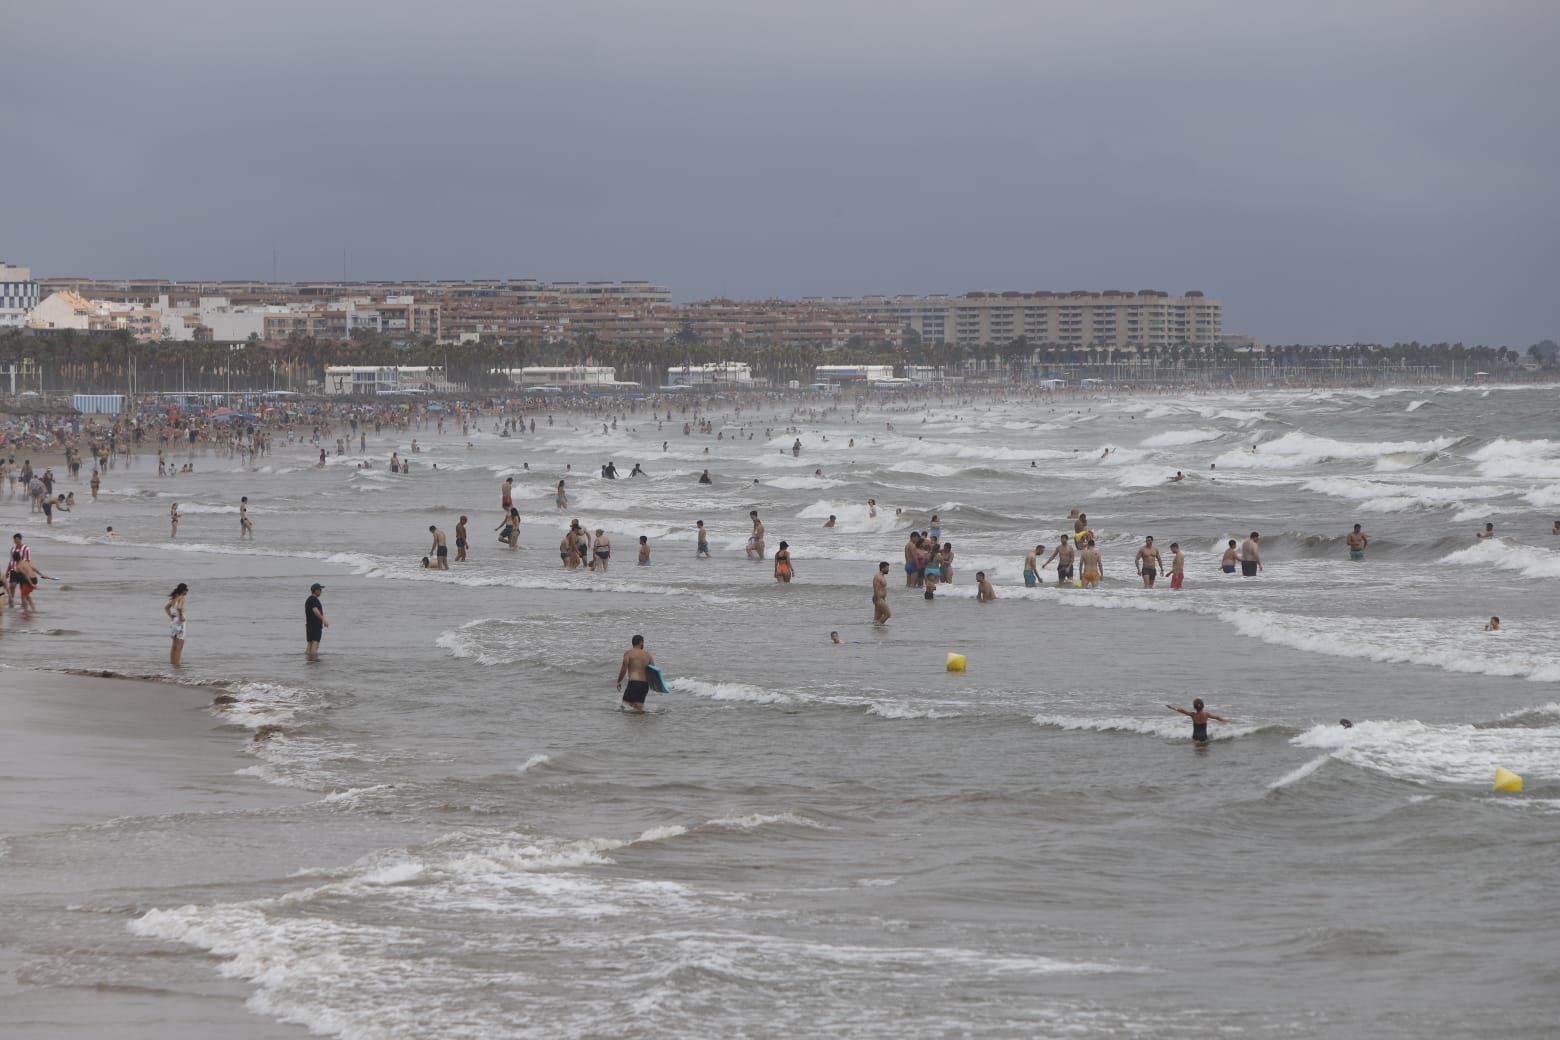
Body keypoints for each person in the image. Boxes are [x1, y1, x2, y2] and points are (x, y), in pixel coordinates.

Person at [615, 634, 655, 714]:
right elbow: (653, 672)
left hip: (634, 684)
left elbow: (624, 668)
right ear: (641, 642)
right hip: (644, 686)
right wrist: (656, 687)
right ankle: (641, 725)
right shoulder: (648, 655)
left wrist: (619, 681)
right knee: (639, 710)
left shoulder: (629, 653)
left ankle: (629, 726)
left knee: (624, 707)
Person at [165, 583, 188, 665]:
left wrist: (171, 616)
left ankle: (172, 662)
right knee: (180, 644)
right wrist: (181, 617)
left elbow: (166, 608)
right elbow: (179, 608)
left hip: (174, 621)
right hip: (180, 622)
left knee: (174, 645)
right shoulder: (182, 597)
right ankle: (176, 663)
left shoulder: (174, 598)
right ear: (184, 590)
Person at [304, 583, 328, 660]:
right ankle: (314, 661)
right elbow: (315, 611)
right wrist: (323, 619)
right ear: (316, 590)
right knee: (315, 643)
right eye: (320, 590)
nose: (321, 591)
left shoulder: (309, 599)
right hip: (315, 625)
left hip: (309, 625)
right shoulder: (314, 600)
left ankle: (308, 660)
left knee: (310, 643)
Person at [872, 561, 891, 625]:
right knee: (888, 614)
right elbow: (876, 589)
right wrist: (878, 600)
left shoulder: (882, 576)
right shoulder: (878, 577)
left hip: (881, 598)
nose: (888, 570)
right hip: (878, 598)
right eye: (887, 568)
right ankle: (879, 625)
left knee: (877, 618)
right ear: (882, 568)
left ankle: (876, 629)